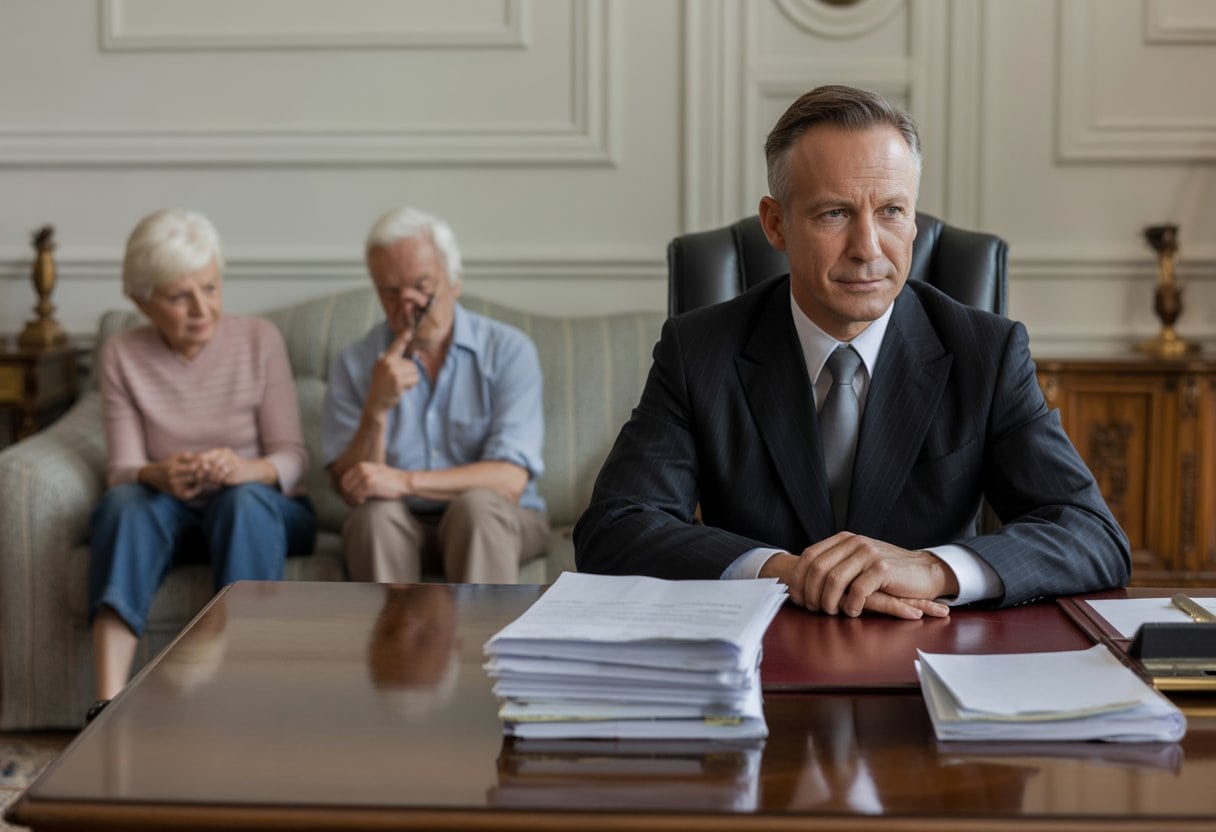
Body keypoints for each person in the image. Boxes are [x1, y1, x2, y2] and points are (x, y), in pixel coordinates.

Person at [574, 85, 1129, 618]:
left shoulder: (987, 351)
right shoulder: (699, 350)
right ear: (776, 224)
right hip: (758, 660)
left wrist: (932, 568)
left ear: (913, 219)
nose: (867, 249)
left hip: (930, 655)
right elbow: (615, 527)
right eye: (834, 213)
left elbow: (1091, 534)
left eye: (891, 211)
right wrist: (783, 571)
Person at [89, 209, 316, 714]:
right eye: (179, 296)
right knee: (125, 503)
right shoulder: (121, 353)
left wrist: (244, 468)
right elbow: (123, 469)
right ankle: (103, 708)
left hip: (263, 508)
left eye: (211, 288)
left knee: (244, 501)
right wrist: (158, 473)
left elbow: (294, 459)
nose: (202, 309)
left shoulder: (259, 340)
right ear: (140, 301)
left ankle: (241, 698)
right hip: (170, 510)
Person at [322, 207, 549, 584]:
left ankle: (482, 644)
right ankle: (392, 646)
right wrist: (376, 410)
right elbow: (353, 489)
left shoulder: (508, 351)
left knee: (476, 508)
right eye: (390, 292)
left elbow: (509, 480)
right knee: (374, 517)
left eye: (421, 286)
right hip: (400, 524)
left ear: (454, 280)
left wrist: (405, 481)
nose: (407, 304)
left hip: (497, 518)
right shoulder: (355, 363)